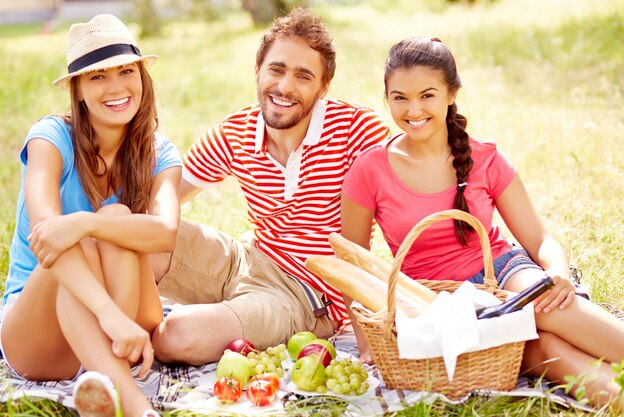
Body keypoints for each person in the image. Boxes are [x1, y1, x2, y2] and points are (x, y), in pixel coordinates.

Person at [340, 36, 624, 409]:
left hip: (502, 273)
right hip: (438, 302)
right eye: (400, 97)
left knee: (547, 302)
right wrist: (366, 341)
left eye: (427, 95)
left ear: (451, 93)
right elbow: (352, 262)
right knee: (546, 350)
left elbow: (540, 240)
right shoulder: (369, 169)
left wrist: (558, 272)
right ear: (387, 98)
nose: (413, 110)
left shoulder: (485, 157)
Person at [150, 8, 390, 365]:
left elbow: (406, 195)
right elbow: (162, 200)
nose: (284, 87)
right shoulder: (235, 131)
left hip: (305, 295)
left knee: (178, 336)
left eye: (303, 76)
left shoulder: (356, 130)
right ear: (258, 71)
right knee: (133, 234)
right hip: (246, 259)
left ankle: (218, 321)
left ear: (323, 87)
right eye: (276, 69)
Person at [0, 14, 182, 417]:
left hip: (131, 315)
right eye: (97, 77)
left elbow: (165, 233)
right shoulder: (50, 139)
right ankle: (136, 407)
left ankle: (102, 376)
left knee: (111, 218)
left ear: (141, 77)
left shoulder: (160, 153)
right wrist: (111, 317)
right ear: (78, 90)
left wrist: (90, 220)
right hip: (42, 334)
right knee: (74, 239)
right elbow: (47, 236)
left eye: (125, 71)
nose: (116, 87)